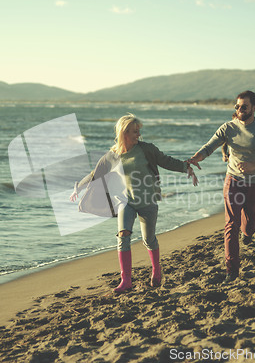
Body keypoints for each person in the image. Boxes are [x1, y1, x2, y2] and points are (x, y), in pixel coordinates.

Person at [70, 114, 198, 293]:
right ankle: (126, 280)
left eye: (139, 131)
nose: (138, 135)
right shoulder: (112, 156)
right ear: (124, 132)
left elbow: (165, 160)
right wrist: (79, 187)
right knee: (123, 236)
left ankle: (156, 270)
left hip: (147, 201)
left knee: (148, 239)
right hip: (125, 202)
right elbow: (95, 174)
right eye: (134, 132)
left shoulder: (146, 149)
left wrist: (186, 168)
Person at [188, 91, 255, 282]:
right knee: (231, 224)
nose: (239, 110)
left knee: (250, 224)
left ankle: (248, 233)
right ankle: (232, 270)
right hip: (234, 182)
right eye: (237, 106)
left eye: (244, 107)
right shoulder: (228, 127)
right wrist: (196, 157)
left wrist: (254, 166)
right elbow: (209, 146)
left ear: (254, 108)